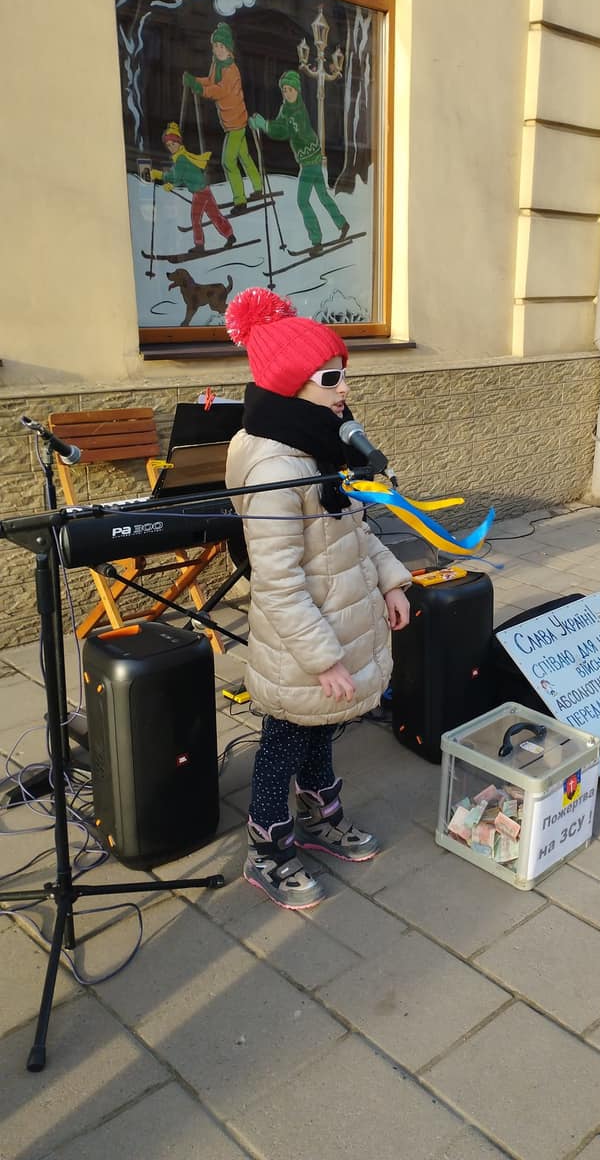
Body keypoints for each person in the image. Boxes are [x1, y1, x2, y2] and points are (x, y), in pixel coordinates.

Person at [224, 286, 411, 909]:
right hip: (305, 640)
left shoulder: (318, 448)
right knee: (284, 739)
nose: (343, 389)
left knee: (321, 729)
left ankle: (320, 817)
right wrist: (322, 656)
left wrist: (390, 578)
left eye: (343, 375)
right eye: (330, 378)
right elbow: (276, 581)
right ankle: (267, 849)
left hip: (337, 620)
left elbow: (352, 528)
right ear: (291, 385)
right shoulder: (278, 466)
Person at [248, 71, 349, 256]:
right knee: (322, 196)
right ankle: (342, 223)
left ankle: (317, 241)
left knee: (303, 201)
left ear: (298, 91)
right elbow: (279, 125)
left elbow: (286, 131)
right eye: (284, 90)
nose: (287, 94)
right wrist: (263, 124)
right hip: (311, 159)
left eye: (290, 90)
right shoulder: (286, 109)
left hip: (310, 160)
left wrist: (265, 125)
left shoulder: (298, 112)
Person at [184, 22, 263, 215]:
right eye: (216, 46)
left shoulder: (231, 70)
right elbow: (211, 82)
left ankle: (240, 200)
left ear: (229, 50)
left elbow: (220, 91)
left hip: (236, 122)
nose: (218, 50)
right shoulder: (217, 65)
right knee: (244, 156)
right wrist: (196, 81)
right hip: (230, 121)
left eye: (222, 47)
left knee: (228, 161)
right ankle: (259, 187)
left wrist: (200, 89)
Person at [149, 122, 235, 256]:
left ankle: (199, 245)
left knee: (196, 219)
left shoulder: (182, 158)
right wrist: (166, 178)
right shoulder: (183, 156)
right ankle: (230, 235)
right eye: (169, 145)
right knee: (215, 215)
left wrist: (164, 179)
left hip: (200, 193)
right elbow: (178, 176)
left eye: (173, 144)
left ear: (179, 143)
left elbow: (176, 176)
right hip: (204, 190)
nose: (171, 147)